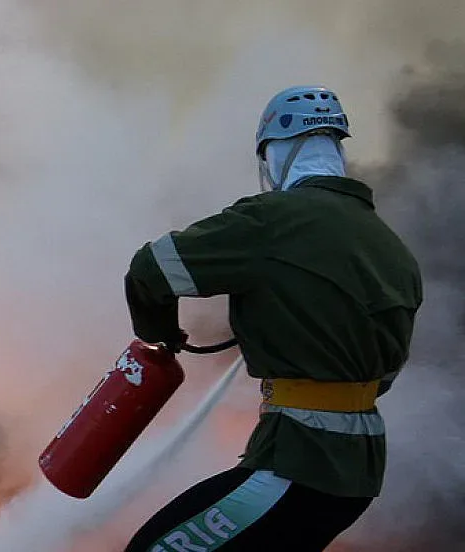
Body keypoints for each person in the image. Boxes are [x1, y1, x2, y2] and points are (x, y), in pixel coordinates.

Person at [122, 85, 423, 552]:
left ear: (275, 153)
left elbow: (151, 269)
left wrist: (160, 337)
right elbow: (378, 375)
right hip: (357, 477)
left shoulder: (272, 220)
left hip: (297, 464)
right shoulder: (391, 246)